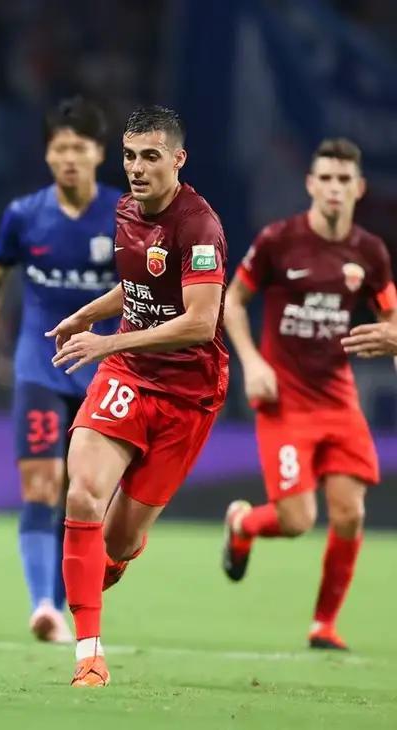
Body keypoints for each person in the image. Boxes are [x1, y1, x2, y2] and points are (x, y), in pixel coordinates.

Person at [47, 105, 229, 687]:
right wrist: (87, 315)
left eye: (151, 156)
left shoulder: (199, 226)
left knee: (120, 540)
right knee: (83, 495)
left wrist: (107, 340)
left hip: (187, 395)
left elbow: (201, 322)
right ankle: (89, 656)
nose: (136, 168)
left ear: (178, 159)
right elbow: (137, 286)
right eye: (129, 156)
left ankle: (110, 562)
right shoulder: (126, 210)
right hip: (126, 375)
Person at [220, 138, 397, 651]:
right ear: (311, 184)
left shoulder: (370, 252)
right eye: (326, 178)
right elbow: (233, 301)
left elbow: (390, 316)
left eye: (344, 180)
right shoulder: (279, 240)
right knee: (297, 521)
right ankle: (242, 523)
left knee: (351, 513)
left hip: (339, 401)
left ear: (358, 188)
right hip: (285, 402)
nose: (334, 188)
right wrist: (252, 362)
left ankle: (324, 624)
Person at [0, 97, 119, 643]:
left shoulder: (124, 216)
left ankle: (66, 601)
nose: (69, 157)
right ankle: (44, 605)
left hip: (103, 372)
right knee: (42, 485)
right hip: (40, 368)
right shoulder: (25, 215)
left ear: (99, 153)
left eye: (79, 147)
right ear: (47, 154)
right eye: (59, 148)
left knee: (85, 493)